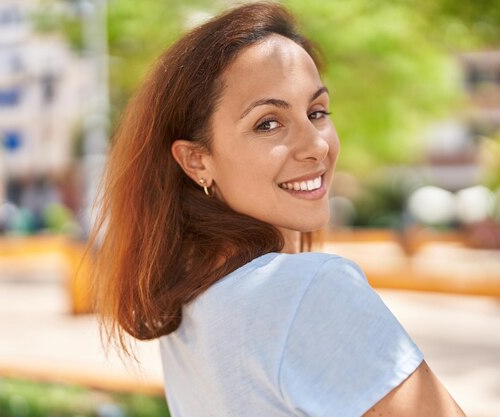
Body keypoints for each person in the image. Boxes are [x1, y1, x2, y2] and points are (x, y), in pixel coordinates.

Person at [91, 2, 467, 416]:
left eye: (317, 112)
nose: (317, 146)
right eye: (268, 123)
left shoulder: (193, 304)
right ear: (197, 160)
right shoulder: (308, 292)